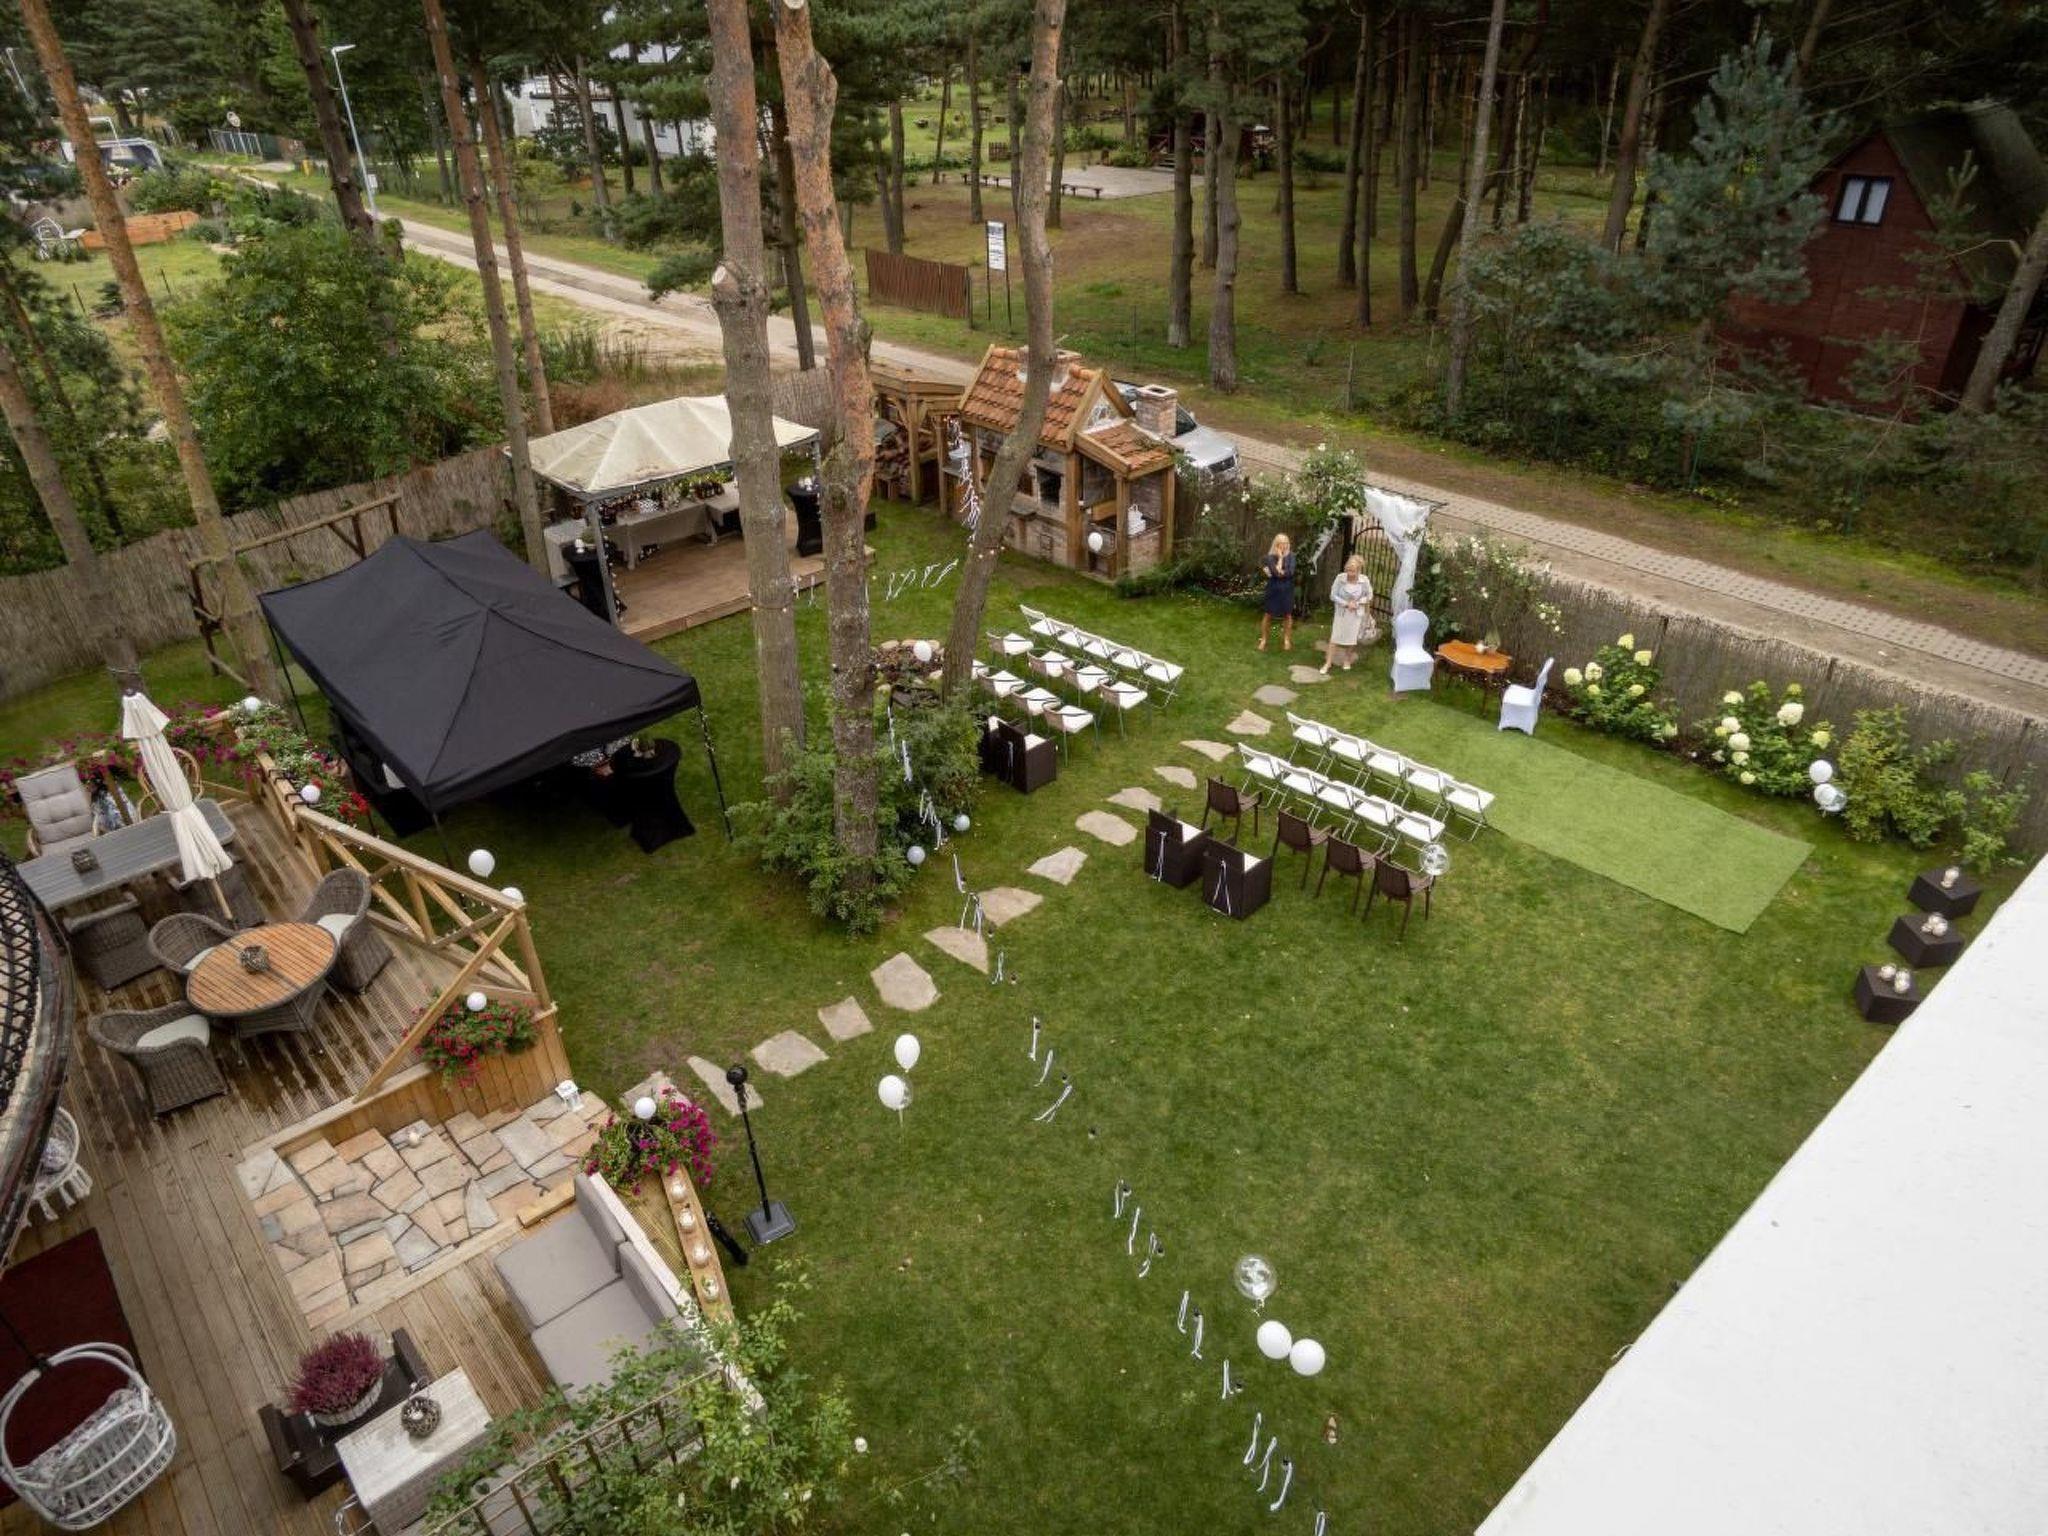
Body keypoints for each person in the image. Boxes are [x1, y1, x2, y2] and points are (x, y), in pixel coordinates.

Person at [1321, 555, 1376, 674]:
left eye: (1353, 571)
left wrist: (1357, 603)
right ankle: (1328, 662)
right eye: (1348, 570)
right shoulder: (1340, 578)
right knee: (1335, 637)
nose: (1350, 573)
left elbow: (1369, 596)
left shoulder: (1364, 580)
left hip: (1356, 614)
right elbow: (1333, 595)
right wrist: (1346, 604)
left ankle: (1347, 660)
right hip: (1342, 613)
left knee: (1352, 638)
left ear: (1359, 570)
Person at [1258, 534, 1295, 652]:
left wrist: (1281, 572)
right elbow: (1276, 573)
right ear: (1276, 544)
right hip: (1273, 590)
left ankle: (1287, 640)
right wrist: (1280, 558)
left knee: (1287, 615)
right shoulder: (1270, 558)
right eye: (1281, 543)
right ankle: (1264, 640)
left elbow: (1291, 572)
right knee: (1268, 615)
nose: (1284, 545)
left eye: (1286, 543)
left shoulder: (1292, 556)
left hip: (1287, 590)